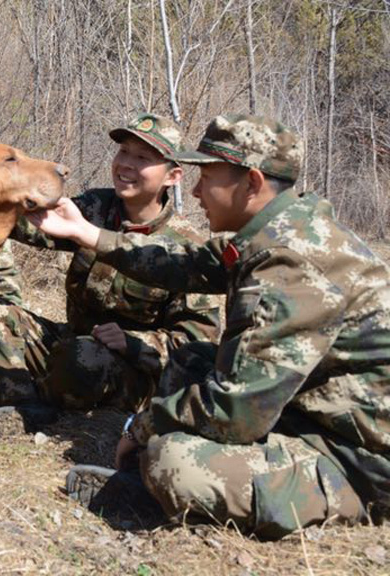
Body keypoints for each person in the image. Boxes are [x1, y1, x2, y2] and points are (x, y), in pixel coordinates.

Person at [33, 114, 390, 537]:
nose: (197, 190)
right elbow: (186, 262)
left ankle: (344, 500)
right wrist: (87, 234)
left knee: (174, 460)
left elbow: (238, 411)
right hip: (306, 412)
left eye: (208, 178)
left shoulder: (291, 264)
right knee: (192, 361)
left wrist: (143, 425)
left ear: (252, 183)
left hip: (355, 458)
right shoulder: (282, 228)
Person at [0, 114, 221, 437]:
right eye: (124, 153)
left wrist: (133, 343)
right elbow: (30, 224)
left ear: (173, 176)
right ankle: (28, 404)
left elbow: (196, 346)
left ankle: (44, 396)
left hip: (128, 369)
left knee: (84, 358)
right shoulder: (96, 207)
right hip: (71, 342)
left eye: (142, 158)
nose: (126, 164)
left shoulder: (187, 248)